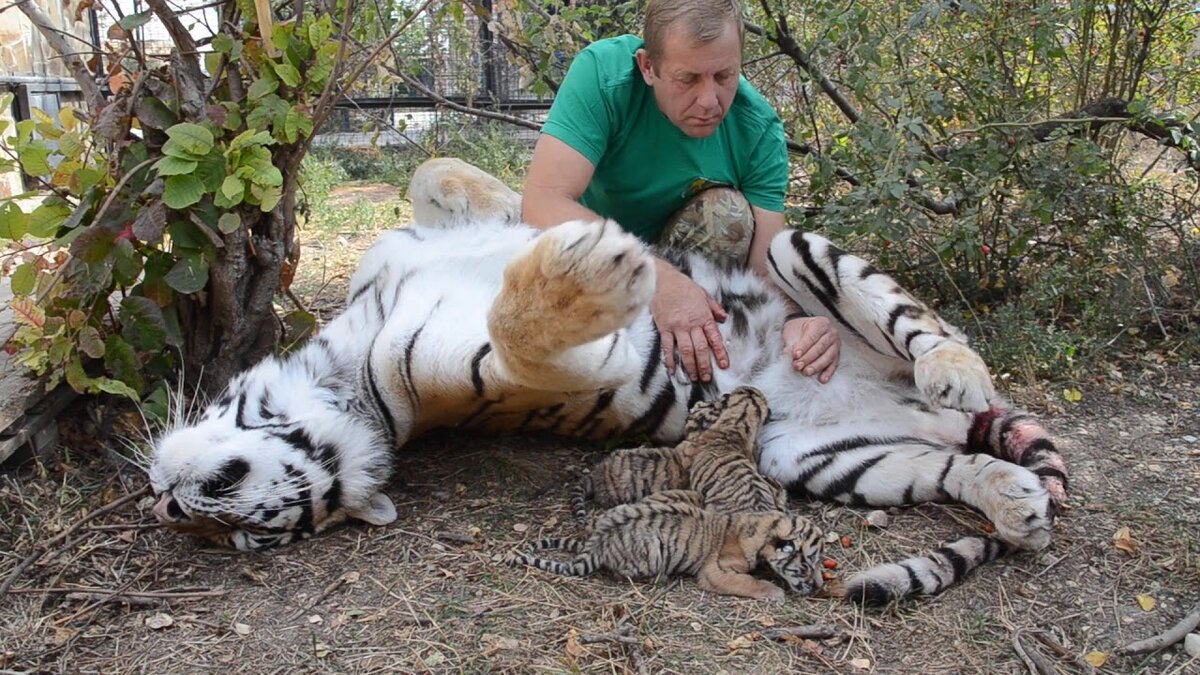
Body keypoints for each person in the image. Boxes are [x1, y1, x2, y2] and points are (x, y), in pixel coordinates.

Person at [522, 0, 840, 385]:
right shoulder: (603, 74)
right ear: (647, 67)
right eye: (687, 79)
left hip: (692, 268)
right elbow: (542, 202)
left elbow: (764, 271)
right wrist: (654, 277)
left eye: (725, 76)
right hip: (593, 260)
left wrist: (794, 323)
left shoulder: (757, 128)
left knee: (728, 216)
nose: (710, 101)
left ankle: (673, 352)